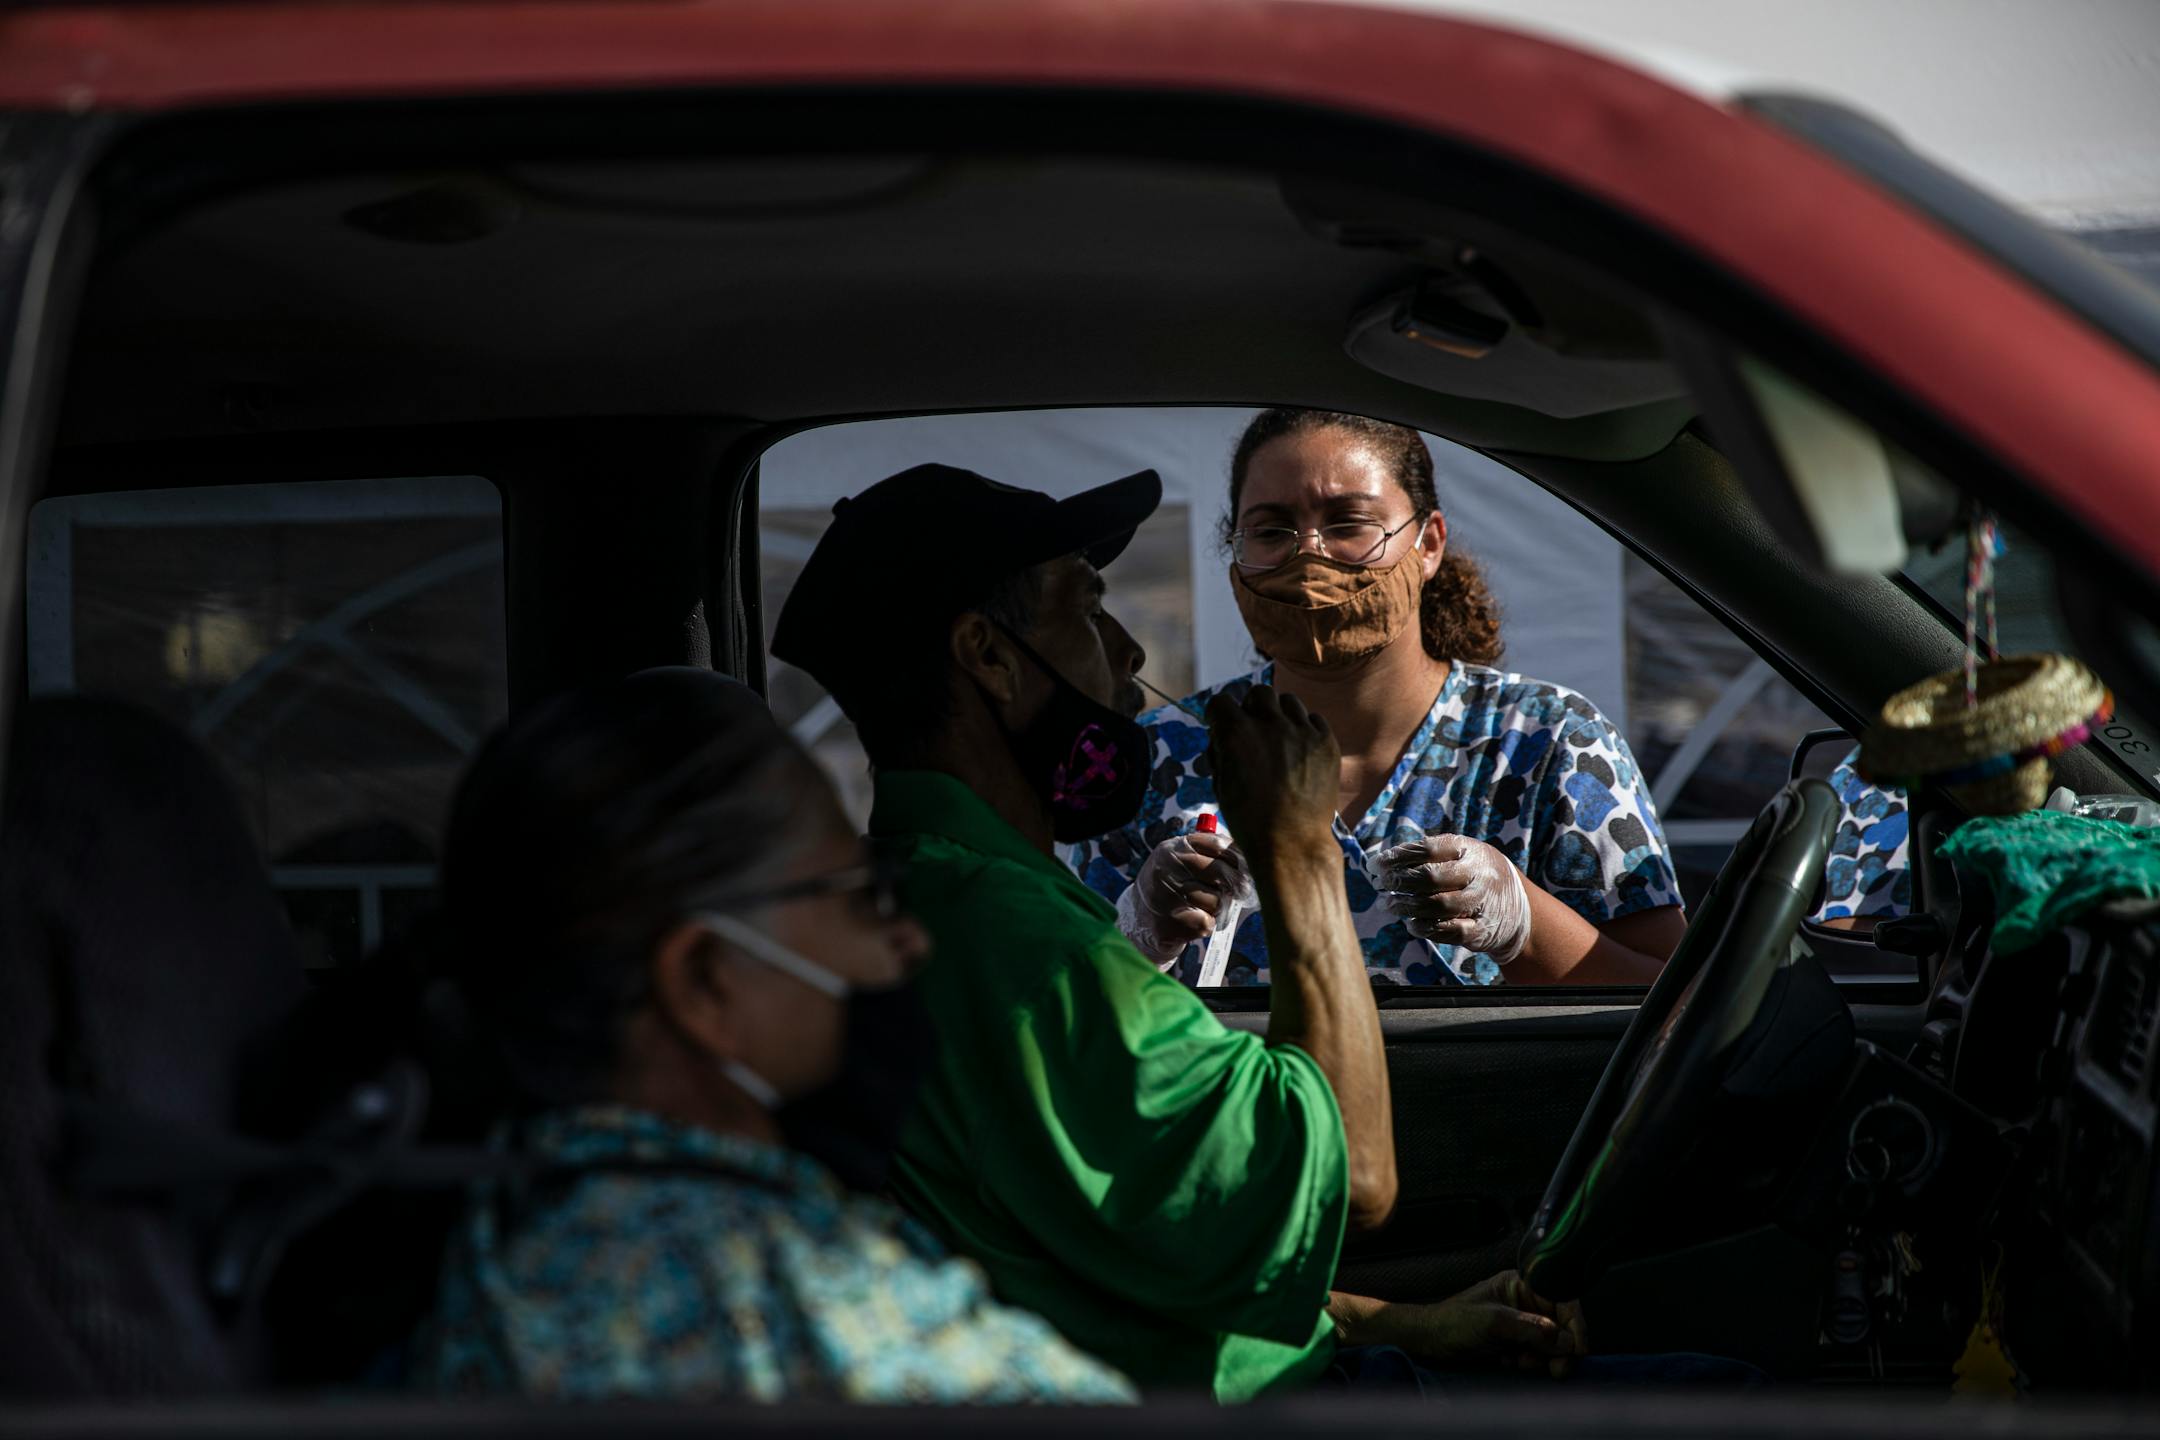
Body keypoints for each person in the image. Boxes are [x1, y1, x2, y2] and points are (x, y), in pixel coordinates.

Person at [771, 463, 1599, 1401]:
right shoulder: (1023, 944)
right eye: (1087, 612)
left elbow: (1120, 1257)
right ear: (989, 657)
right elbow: (1356, 1176)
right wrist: (1296, 849)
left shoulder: (925, 897)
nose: (1126, 653)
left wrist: (1408, 1321)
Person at [409, 668, 1135, 1404]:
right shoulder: (760, 1286)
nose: (910, 939)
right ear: (703, 980)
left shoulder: (516, 1225)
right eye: (861, 897)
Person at [1070, 408, 1685, 987]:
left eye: (1349, 524)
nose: (1308, 553)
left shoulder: (1547, 742)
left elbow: (1673, 999)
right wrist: (1140, 937)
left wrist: (1523, 922)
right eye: (1270, 530)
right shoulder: (1160, 755)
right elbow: (1051, 1015)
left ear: (1429, 544)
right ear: (1235, 553)